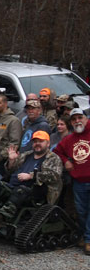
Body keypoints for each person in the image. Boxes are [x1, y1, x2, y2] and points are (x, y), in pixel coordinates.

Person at [0, 131, 62, 226]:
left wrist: (31, 175)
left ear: (48, 143)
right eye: (35, 141)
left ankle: (1, 217)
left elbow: (54, 176)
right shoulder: (26, 155)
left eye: (41, 141)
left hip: (34, 192)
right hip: (12, 186)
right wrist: (11, 161)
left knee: (20, 190)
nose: (37, 144)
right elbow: (10, 172)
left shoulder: (53, 158)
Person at [53, 107, 90, 255]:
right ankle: (82, 234)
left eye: (80, 118)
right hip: (79, 181)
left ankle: (88, 240)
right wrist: (65, 161)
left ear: (86, 118)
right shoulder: (69, 139)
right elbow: (57, 151)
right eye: (74, 119)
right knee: (81, 211)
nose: (77, 121)